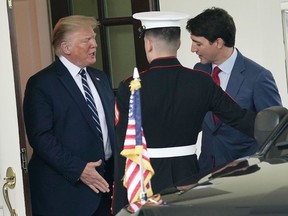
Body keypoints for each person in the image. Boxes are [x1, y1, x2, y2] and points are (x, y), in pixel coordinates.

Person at [112, 11, 256, 214]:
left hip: (147, 183)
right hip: (189, 178)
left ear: (149, 44)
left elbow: (124, 150)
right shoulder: (202, 81)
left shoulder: (131, 86)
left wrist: (119, 204)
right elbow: (243, 120)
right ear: (179, 43)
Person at [23, 15, 115, 216]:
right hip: (65, 194)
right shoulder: (42, 84)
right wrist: (80, 169)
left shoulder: (101, 78)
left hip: (105, 189)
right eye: (87, 40)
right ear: (66, 48)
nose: (95, 44)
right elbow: (40, 137)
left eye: (94, 38)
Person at [186, 7, 282, 174]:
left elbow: (274, 134)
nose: (192, 49)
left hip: (246, 176)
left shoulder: (259, 77)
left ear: (218, 42)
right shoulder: (199, 71)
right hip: (206, 173)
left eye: (198, 43)